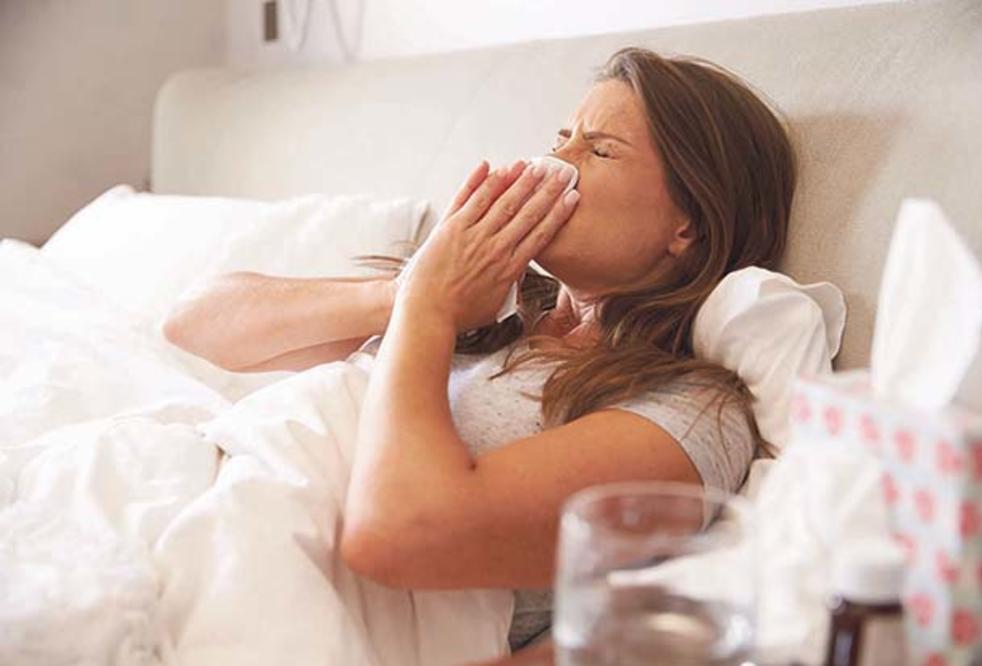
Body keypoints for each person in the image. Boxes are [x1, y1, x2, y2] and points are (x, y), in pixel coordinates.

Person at [163, 47, 796, 651]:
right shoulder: (483, 300)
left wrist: (428, 309)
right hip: (187, 496)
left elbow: (398, 535)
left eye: (600, 150)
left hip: (274, 576)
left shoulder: (692, 409)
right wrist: (409, 294)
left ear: (688, 224)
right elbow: (195, 322)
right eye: (561, 139)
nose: (553, 163)